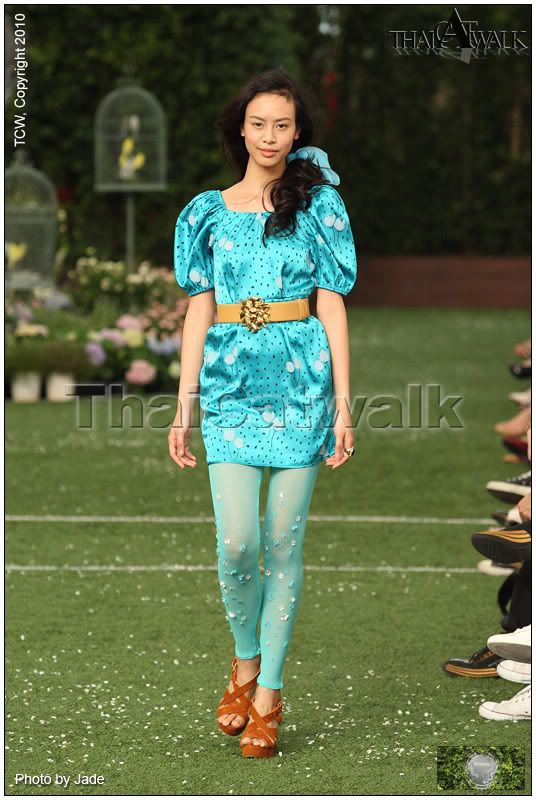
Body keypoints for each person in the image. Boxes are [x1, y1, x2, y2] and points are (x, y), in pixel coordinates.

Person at [168, 68, 358, 758]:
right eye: (258, 124)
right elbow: (198, 310)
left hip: (301, 381)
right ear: (240, 130)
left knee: (282, 543)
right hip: (229, 387)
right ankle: (244, 659)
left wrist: (343, 403)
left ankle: (269, 693)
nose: (270, 136)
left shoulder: (318, 206)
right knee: (238, 544)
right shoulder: (206, 212)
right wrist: (183, 406)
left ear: (297, 131)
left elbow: (332, 303)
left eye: (283, 124)